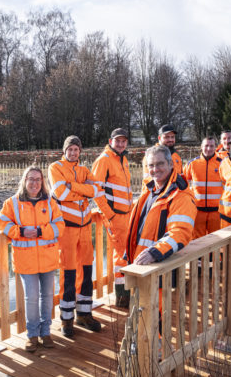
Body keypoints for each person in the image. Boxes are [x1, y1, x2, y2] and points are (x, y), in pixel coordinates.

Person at [49, 135, 114, 337]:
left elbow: (96, 189)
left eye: (76, 149)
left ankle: (84, 314)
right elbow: (60, 193)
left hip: (85, 227)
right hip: (67, 228)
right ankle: (66, 319)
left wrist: (74, 187)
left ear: (80, 151)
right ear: (64, 150)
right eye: (70, 149)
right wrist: (83, 191)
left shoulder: (85, 170)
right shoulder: (55, 168)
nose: (73, 152)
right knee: (67, 272)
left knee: (86, 271)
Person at [0, 166, 65, 352]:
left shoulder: (50, 202)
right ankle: (32, 336)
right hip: (26, 261)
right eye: (31, 179)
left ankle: (46, 332)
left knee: (48, 297)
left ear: (42, 182)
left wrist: (42, 231)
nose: (34, 183)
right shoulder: (13, 203)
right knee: (32, 298)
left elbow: (60, 225)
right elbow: (1, 221)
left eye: (38, 179)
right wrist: (20, 232)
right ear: (24, 181)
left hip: (48, 258)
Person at [125, 145, 196, 316]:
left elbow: (180, 232)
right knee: (140, 314)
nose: (155, 169)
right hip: (141, 264)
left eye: (160, 164)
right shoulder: (150, 190)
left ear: (171, 164)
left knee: (153, 315)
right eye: (151, 165)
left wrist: (155, 252)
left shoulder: (180, 196)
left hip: (158, 266)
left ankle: (155, 342)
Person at [91, 128, 132, 308]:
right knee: (121, 256)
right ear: (110, 141)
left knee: (127, 253)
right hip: (115, 216)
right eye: (118, 141)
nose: (121, 144)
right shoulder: (104, 160)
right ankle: (122, 297)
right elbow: (96, 191)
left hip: (127, 214)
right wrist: (110, 215)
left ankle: (128, 292)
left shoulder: (123, 159)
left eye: (124, 141)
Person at [183, 136, 224, 239]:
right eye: (206, 145)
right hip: (198, 210)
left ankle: (215, 256)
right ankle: (200, 257)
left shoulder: (223, 163)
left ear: (216, 147)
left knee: (216, 240)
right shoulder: (192, 164)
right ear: (201, 147)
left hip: (216, 211)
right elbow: (183, 184)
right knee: (197, 240)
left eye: (211, 146)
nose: (209, 148)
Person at [142, 124, 182, 194]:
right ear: (159, 138)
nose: (170, 140)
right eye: (166, 137)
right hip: (158, 196)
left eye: (172, 137)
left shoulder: (176, 156)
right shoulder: (151, 156)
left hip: (176, 197)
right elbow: (148, 181)